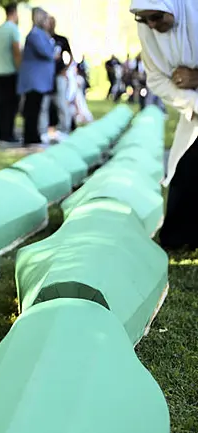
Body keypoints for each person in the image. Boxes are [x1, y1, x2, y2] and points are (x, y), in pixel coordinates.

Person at [131, 0, 198, 250]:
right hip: (193, 111)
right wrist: (194, 100)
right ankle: (179, 239)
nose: (151, 24)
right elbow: (157, 79)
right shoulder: (148, 28)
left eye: (157, 17)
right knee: (185, 169)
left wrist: (195, 77)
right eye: (144, 19)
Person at [18, 8, 57, 147]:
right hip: (34, 80)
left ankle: (33, 136)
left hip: (39, 80)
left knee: (35, 108)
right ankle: (30, 137)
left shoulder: (40, 34)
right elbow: (47, 52)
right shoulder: (35, 35)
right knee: (32, 109)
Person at [0, 3, 22, 143]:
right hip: (10, 73)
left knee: (1, 105)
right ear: (14, 12)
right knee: (11, 106)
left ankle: (0, 134)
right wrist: (19, 68)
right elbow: (16, 51)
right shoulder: (13, 29)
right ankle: (8, 134)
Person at [48, 16, 73, 136]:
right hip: (47, 76)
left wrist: (65, 69)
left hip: (59, 75)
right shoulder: (44, 38)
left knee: (61, 101)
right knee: (48, 102)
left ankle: (65, 127)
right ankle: (50, 127)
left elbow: (71, 56)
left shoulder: (61, 39)